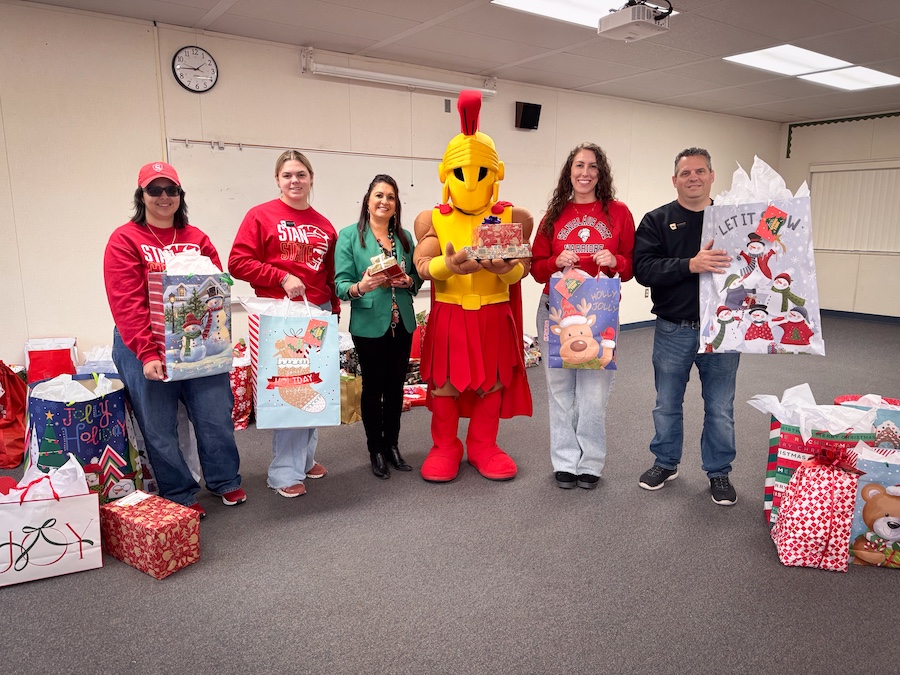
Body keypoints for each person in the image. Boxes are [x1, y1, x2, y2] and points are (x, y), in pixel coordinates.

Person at [104, 162, 245, 518]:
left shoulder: (196, 238)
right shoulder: (125, 239)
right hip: (145, 345)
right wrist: (147, 352)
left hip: (200, 345)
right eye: (155, 190)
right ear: (142, 196)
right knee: (159, 426)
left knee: (215, 415)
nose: (164, 197)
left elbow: (217, 286)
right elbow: (126, 300)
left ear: (181, 196)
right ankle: (180, 493)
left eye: (172, 190)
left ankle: (224, 479)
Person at [413, 90, 533, 483]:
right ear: (446, 175)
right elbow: (422, 266)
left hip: (495, 314)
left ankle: (483, 444)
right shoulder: (435, 218)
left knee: (493, 382)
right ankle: (446, 445)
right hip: (450, 315)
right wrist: (447, 266)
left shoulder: (510, 216)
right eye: (461, 172)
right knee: (445, 384)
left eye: (480, 172)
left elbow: (522, 271)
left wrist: (504, 270)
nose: (470, 180)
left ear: (495, 173)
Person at [633, 147, 740, 506]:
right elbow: (643, 270)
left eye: (700, 171)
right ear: (674, 180)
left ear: (712, 175)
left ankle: (719, 472)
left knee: (721, 407)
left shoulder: (736, 221)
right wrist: (689, 265)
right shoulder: (656, 220)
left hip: (722, 330)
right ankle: (665, 463)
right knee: (666, 403)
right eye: (685, 173)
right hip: (673, 328)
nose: (693, 177)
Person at [228, 150, 337, 498]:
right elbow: (238, 263)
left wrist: (333, 314)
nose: (295, 181)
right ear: (277, 179)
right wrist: (281, 276)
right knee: (292, 392)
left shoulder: (325, 225)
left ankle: (304, 459)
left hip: (317, 312)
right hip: (279, 314)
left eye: (301, 174)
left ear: (311, 178)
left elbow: (329, 276)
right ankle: (283, 473)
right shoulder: (260, 216)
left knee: (314, 386)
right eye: (288, 174)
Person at [530, 143, 635, 490]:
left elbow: (632, 264)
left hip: (600, 317)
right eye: (579, 165)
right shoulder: (553, 214)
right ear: (569, 171)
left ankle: (590, 462)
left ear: (601, 173)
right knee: (559, 392)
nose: (585, 172)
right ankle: (564, 461)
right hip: (555, 311)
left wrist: (615, 262)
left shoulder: (618, 213)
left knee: (593, 395)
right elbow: (536, 268)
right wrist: (554, 263)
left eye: (592, 166)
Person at [334, 175, 423, 479]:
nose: (384, 201)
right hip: (368, 323)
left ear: (396, 205)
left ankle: (393, 446)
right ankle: (376, 449)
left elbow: (417, 279)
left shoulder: (405, 238)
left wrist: (408, 281)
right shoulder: (349, 236)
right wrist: (363, 285)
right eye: (379, 195)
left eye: (391, 197)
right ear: (368, 201)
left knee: (396, 387)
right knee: (373, 388)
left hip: (403, 322)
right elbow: (340, 284)